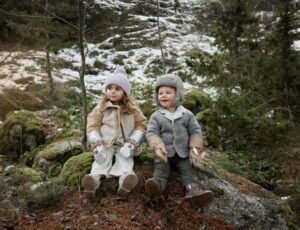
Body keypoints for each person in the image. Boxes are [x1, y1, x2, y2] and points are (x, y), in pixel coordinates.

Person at [145, 73, 214, 207]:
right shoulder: (156, 116)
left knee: (188, 171)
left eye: (168, 92)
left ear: (178, 94)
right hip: (163, 153)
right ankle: (156, 188)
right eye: (160, 93)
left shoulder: (187, 114)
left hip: (183, 154)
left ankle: (193, 191)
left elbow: (195, 131)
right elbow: (152, 132)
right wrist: (157, 145)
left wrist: (195, 148)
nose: (163, 95)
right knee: (160, 170)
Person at [82, 66, 147, 201]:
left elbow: (142, 125)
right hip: (105, 142)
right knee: (101, 159)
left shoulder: (133, 109)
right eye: (110, 88)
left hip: (125, 143)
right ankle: (93, 181)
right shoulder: (101, 108)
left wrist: (132, 143)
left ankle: (125, 181)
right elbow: (92, 125)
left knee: (126, 160)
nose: (113, 91)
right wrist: (96, 142)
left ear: (125, 91)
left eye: (117, 89)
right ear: (105, 90)